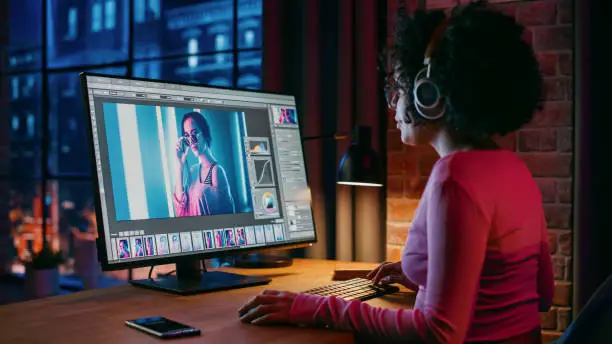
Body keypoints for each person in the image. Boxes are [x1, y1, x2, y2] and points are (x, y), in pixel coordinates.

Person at [237, 2, 554, 343]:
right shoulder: (514, 169)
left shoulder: (455, 178)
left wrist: (316, 308)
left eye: (399, 87)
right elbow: (541, 292)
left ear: (427, 93)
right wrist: (428, 274)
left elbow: (439, 332)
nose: (394, 104)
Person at [174, 111, 235, 217]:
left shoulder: (216, 171)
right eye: (187, 136)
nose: (191, 141)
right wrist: (180, 165)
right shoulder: (193, 170)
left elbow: (226, 216)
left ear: (204, 132)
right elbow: (180, 210)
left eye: (194, 133)